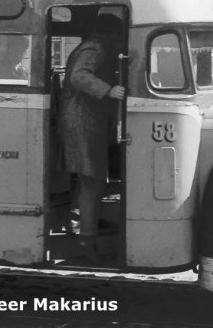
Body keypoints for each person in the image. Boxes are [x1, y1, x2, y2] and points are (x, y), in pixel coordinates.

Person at [60, 19, 125, 259]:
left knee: (88, 178)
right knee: (92, 178)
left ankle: (77, 226)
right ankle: (87, 240)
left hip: (86, 120)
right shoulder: (96, 48)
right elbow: (79, 76)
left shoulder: (96, 47)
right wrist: (108, 90)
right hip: (82, 121)